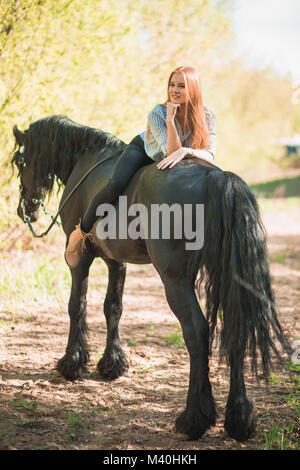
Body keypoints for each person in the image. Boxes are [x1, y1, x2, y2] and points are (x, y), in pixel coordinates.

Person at [65, 65, 216, 268]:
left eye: (181, 86)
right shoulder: (158, 113)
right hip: (145, 152)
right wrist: (170, 121)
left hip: (177, 158)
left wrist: (188, 151)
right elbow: (170, 153)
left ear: (194, 89)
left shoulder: (207, 116)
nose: (174, 90)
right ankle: (80, 233)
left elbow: (210, 155)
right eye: (172, 84)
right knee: (115, 184)